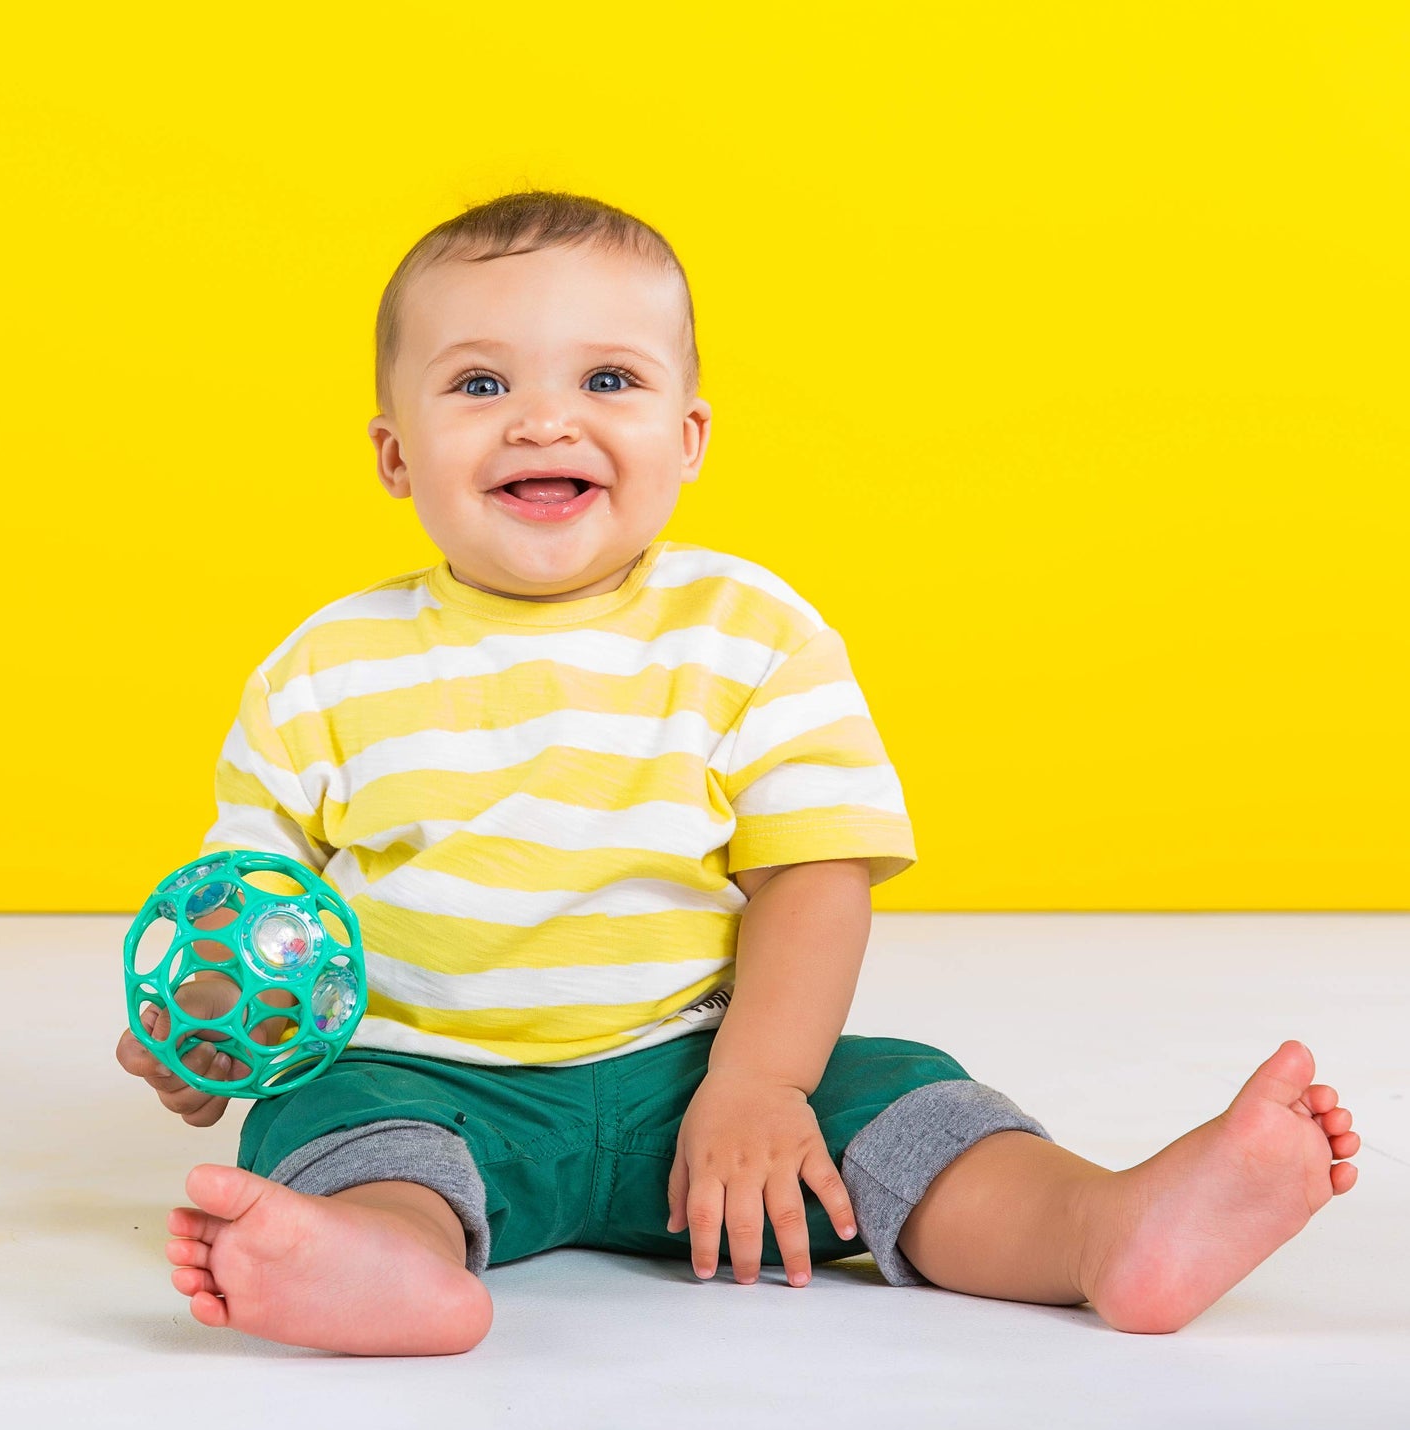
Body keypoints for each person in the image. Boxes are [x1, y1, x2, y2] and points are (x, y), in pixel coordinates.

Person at [115, 190, 1360, 1357]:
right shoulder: (323, 669)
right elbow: (254, 909)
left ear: (688, 434)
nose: (545, 420)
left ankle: (1103, 1229)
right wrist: (214, 1039)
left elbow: (814, 873)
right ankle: (384, 1262)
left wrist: (760, 1084)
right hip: (429, 1074)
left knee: (903, 1098)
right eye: (480, 381)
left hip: (700, 1070)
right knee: (331, 1133)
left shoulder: (747, 632)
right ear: (394, 454)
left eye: (608, 378)